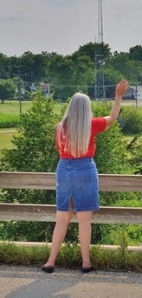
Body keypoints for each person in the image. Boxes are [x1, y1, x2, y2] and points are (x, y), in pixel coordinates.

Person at [42, 79, 129, 274]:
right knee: (84, 218)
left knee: (62, 217)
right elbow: (113, 117)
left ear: (71, 107)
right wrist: (118, 96)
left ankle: (50, 261)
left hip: (64, 169)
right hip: (85, 169)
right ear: (86, 108)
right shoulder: (91, 125)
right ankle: (86, 262)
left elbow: (60, 150)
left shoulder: (60, 127)